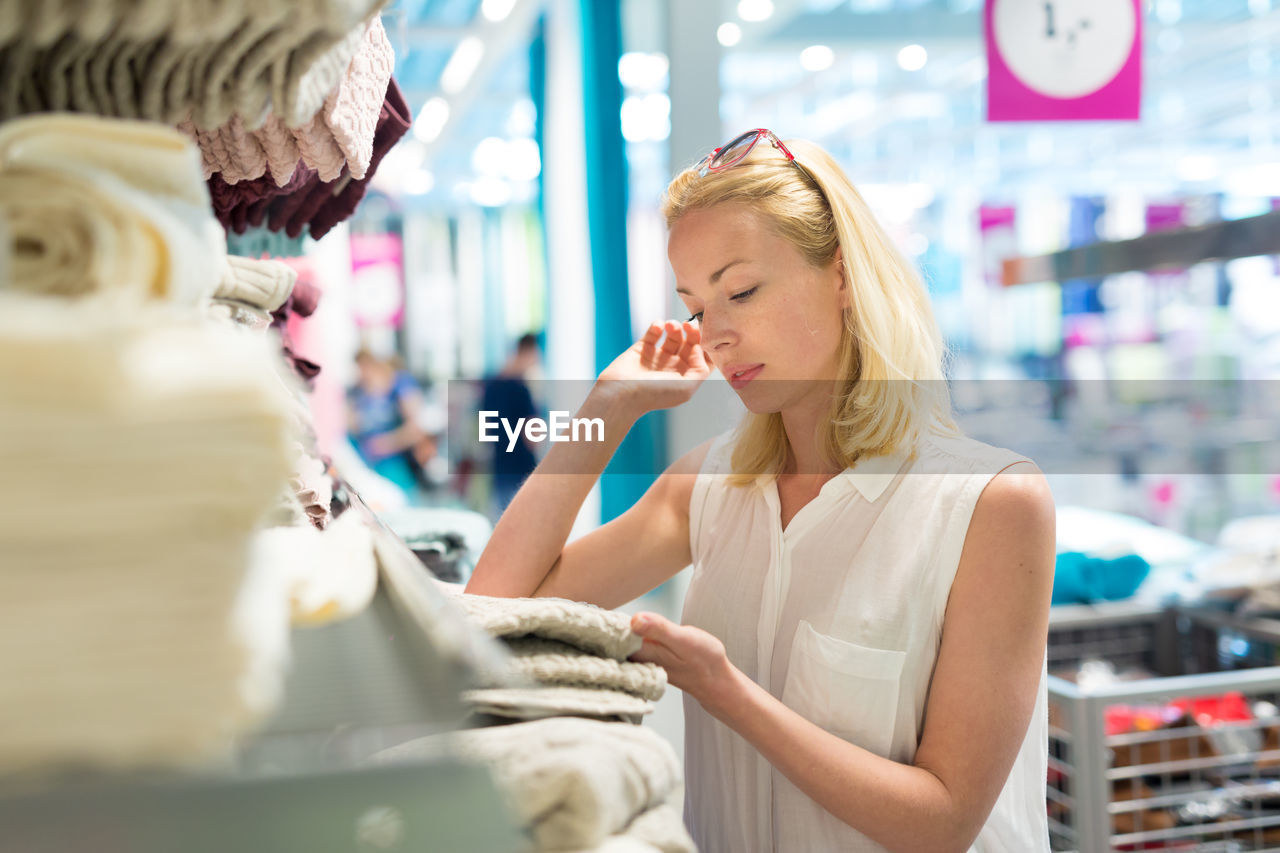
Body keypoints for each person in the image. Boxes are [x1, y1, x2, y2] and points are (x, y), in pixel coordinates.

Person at [466, 129, 1054, 851]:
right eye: (696, 305)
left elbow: (943, 819)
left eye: (740, 290)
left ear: (842, 276)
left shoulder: (989, 503)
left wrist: (727, 691)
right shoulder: (710, 488)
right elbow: (493, 610)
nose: (715, 335)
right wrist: (607, 406)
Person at [347, 349, 424, 500]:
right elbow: (351, 426)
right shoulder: (358, 392)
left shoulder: (401, 386)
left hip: (397, 466)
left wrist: (385, 444)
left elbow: (415, 430)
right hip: (367, 466)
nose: (362, 373)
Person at [479, 333, 542, 516]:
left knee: (503, 520)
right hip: (521, 466)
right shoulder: (521, 389)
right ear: (529, 352)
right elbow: (532, 435)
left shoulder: (491, 385)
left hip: (500, 465)